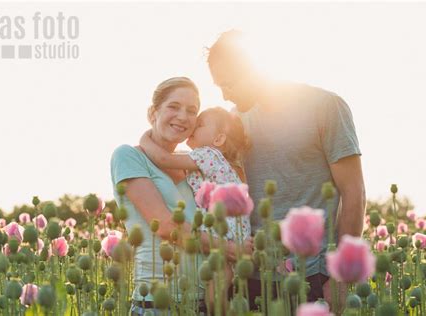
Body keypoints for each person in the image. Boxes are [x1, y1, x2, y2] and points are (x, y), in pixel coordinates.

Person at [206, 30, 366, 309]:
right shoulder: (233, 121)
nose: (224, 94)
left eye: (228, 84)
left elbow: (354, 193)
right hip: (251, 274)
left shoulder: (326, 106)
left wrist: (341, 276)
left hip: (313, 274)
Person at [110, 77, 252, 315]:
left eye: (192, 111)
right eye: (173, 107)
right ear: (153, 113)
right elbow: (166, 226)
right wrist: (231, 248)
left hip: (201, 306)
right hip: (156, 304)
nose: (183, 117)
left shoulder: (195, 166)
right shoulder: (128, 156)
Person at [139, 106, 252, 309]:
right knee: (218, 291)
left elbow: (164, 160)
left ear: (218, 139)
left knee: (214, 296)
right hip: (232, 230)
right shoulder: (214, 160)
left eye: (199, 125)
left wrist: (145, 139)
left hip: (225, 232)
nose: (193, 127)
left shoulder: (208, 154)